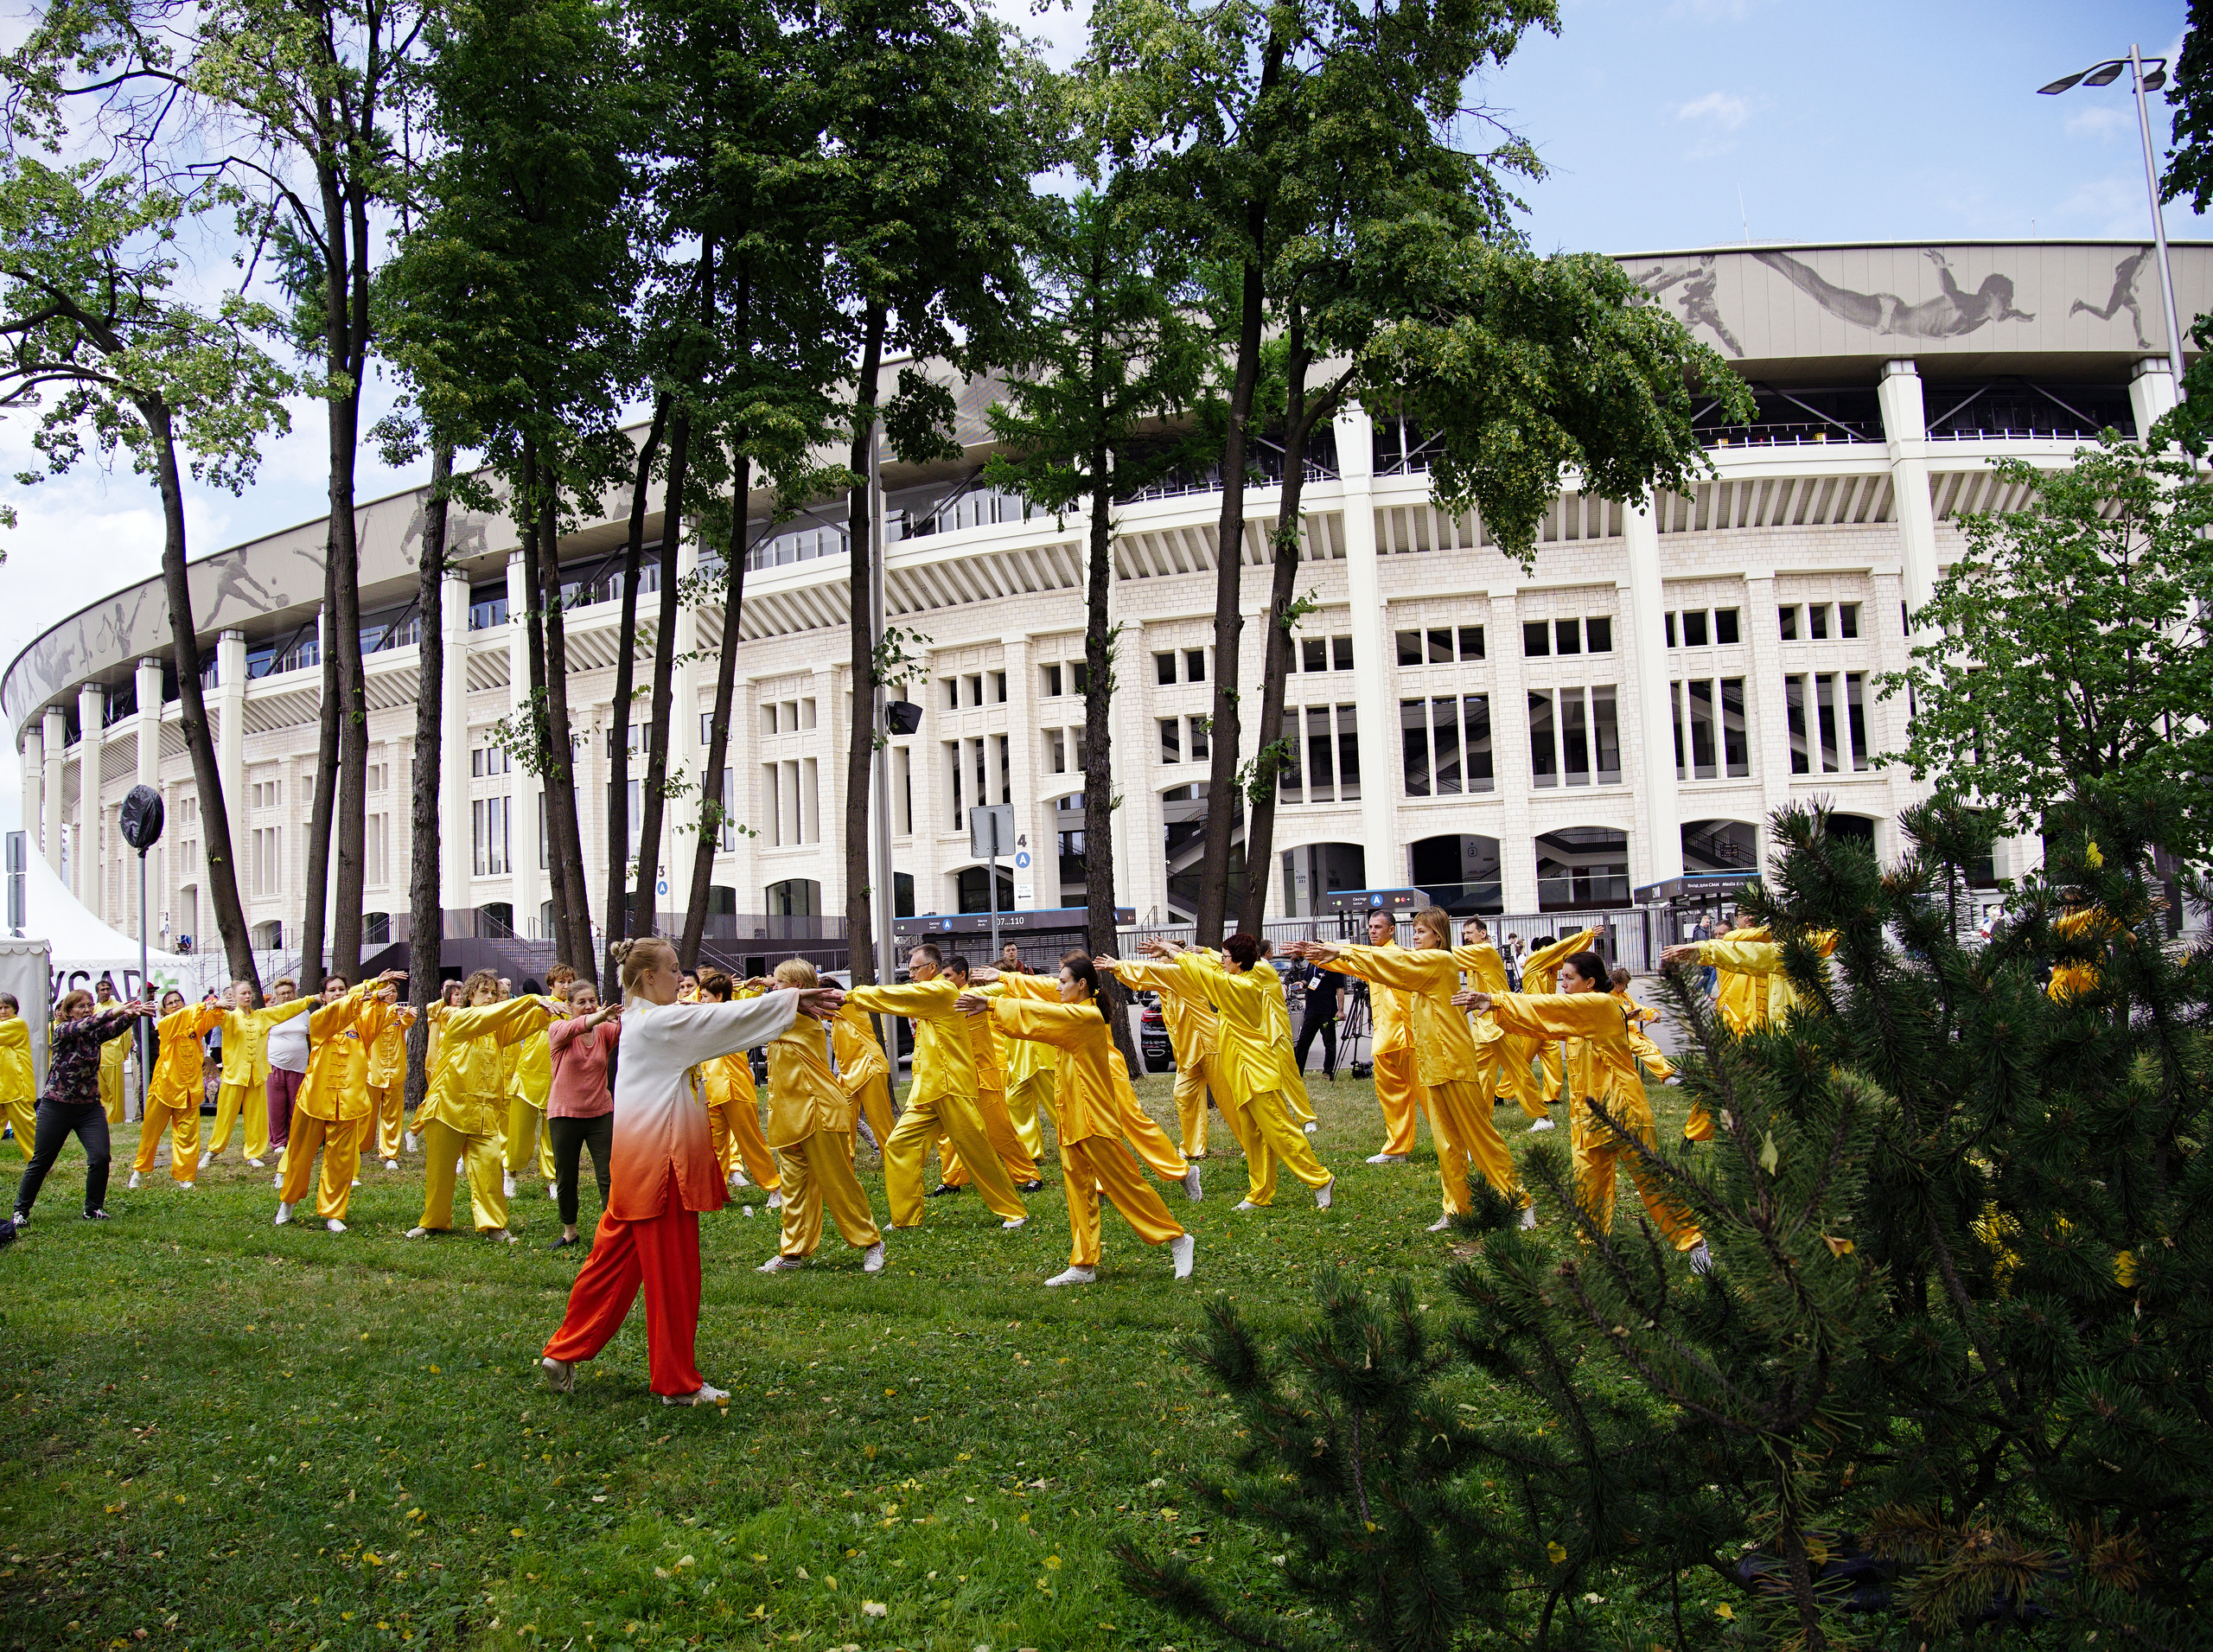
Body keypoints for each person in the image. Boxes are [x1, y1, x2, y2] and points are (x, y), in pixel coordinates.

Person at [540, 935, 841, 1404]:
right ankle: (676, 1383)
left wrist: (787, 1001)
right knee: (673, 1278)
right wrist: (791, 1000)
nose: (681, 977)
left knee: (609, 1265)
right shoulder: (659, 1023)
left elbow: (714, 1019)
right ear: (648, 977)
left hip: (635, 1165)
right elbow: (722, 1020)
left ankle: (563, 1351)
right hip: (663, 1169)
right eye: (672, 968)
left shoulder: (639, 1019)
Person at [960, 952, 1196, 1286]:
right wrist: (1004, 983)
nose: (1056, 987)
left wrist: (993, 1004)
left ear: (1082, 985)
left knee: (1125, 1185)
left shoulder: (1085, 1017)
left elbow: (1041, 1015)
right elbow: (1043, 1001)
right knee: (1079, 1192)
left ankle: (1177, 1238)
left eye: (1063, 982)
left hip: (1093, 1120)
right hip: (1072, 1118)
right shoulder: (1078, 1008)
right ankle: (1083, 1264)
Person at [1460, 953, 1706, 1269]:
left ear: (1590, 982)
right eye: (1562, 977)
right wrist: (1498, 1009)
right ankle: (1595, 1261)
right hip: (1588, 1123)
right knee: (1590, 1197)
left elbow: (1551, 1007)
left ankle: (1695, 1245)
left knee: (1653, 1185)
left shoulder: (1602, 1005)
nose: (1562, 984)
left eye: (1569, 978)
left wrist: (1496, 999)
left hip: (1624, 1115)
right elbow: (1544, 1024)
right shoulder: (1580, 1015)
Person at [1295, 909, 1527, 1233]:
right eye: (1415, 931)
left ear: (1439, 937)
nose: (1415, 937)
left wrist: (1340, 950)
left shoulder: (1439, 961)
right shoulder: (1422, 962)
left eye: (1422, 932)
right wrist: (1331, 956)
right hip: (1434, 1066)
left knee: (1481, 1138)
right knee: (1447, 1145)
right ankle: (1456, 1209)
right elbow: (1381, 965)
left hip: (1454, 1065)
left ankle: (1519, 1202)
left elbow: (1392, 962)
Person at [1132, 934, 1334, 1213]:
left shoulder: (1241, 985)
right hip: (1241, 1073)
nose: (1221, 961)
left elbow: (1203, 972)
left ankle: (1320, 1179)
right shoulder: (1241, 975)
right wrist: (1192, 951)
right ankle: (1260, 1193)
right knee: (1253, 1136)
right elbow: (1210, 964)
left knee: (1281, 1131)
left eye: (1226, 957)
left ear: (1238, 962)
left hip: (1257, 1074)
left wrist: (1172, 951)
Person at [844, 942, 1029, 1231]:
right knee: (899, 1145)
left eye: (915, 969)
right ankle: (905, 1219)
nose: (911, 975)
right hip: (928, 1090)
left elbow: (898, 996)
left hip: (952, 1086)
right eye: (909, 970)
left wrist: (853, 995)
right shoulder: (933, 993)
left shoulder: (941, 990)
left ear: (932, 968)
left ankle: (1014, 1211)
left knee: (977, 1151)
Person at [756, 958, 885, 1274]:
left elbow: (759, 1011)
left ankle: (871, 1242)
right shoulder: (781, 1013)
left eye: (780, 982)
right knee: (794, 1188)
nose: (774, 987)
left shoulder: (798, 1016)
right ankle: (792, 1252)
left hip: (819, 1112)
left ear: (798, 987)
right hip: (787, 1116)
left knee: (838, 1182)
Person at [406, 970, 556, 1242]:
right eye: (484, 992)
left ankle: (494, 1226)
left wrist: (549, 1011)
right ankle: (433, 1222)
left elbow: (523, 1024)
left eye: (494, 993)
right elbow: (485, 1018)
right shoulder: (455, 1017)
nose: (490, 997)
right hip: (447, 1109)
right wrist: (530, 1000)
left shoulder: (496, 1028)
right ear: (469, 995)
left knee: (490, 1170)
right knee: (439, 1173)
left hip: (483, 1114)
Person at [276, 972, 406, 1232]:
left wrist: (379, 998)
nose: (337, 994)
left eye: (341, 990)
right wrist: (366, 989)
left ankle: (333, 1212)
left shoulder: (359, 1024)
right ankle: (288, 1202)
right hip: (314, 1100)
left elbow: (374, 1018)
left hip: (348, 1102)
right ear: (323, 997)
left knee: (341, 1161)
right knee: (300, 1156)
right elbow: (336, 1013)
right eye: (332, 990)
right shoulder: (319, 1019)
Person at [14, 988, 153, 1224]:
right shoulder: (61, 1031)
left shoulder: (95, 1034)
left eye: (89, 1005)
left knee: (100, 1157)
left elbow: (114, 1027)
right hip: (56, 1106)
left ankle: (93, 1208)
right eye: (81, 1006)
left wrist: (132, 1013)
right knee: (42, 1161)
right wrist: (118, 1010)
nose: (87, 1009)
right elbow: (88, 1024)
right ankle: (20, 1211)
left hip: (89, 1108)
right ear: (69, 1012)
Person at [934, 955, 1042, 1196]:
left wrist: (1004, 977)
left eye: (948, 975)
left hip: (985, 1075)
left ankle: (1028, 1175)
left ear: (962, 976)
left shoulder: (975, 995)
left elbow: (1008, 988)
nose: (943, 980)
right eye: (942, 975)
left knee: (999, 1130)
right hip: (955, 1078)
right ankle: (952, 1180)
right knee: (950, 1133)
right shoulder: (940, 998)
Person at [1101, 954, 1217, 1158]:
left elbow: (1150, 971)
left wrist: (1118, 965)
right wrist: (1118, 970)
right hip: (1189, 1053)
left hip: (1210, 1046)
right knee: (1183, 1094)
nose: (1157, 968)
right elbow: (1143, 981)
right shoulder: (1165, 988)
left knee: (1230, 1100)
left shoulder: (1180, 973)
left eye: (1161, 965)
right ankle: (1194, 1149)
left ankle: (1252, 1145)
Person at [545, 979, 622, 1250]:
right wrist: (600, 1016)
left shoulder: (604, 1031)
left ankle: (611, 1235)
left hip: (600, 1113)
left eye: (592, 1000)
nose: (588, 1006)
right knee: (566, 1177)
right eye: (581, 1002)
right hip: (564, 1115)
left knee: (609, 1176)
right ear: (569, 1006)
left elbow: (630, 1027)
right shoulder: (558, 1029)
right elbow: (576, 1027)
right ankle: (570, 1232)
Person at [697, 971, 782, 1205]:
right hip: (713, 1090)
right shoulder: (706, 1014)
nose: (700, 1000)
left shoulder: (731, 1013)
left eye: (705, 996)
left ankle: (775, 1187)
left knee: (751, 1142)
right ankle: (716, 1192)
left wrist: (741, 986)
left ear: (719, 996)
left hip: (736, 1088)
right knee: (715, 1146)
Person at [206, 979, 311, 1168]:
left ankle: (253, 1153)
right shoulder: (229, 1017)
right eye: (242, 993)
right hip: (234, 1075)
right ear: (235, 997)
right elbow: (213, 1016)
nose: (247, 996)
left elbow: (285, 1010)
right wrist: (215, 1004)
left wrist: (310, 999)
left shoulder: (262, 1016)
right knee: (225, 1115)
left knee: (256, 1116)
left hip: (257, 1075)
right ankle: (213, 1150)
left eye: (249, 993)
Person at [1352, 909, 1427, 1164]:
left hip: (1405, 1037)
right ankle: (1397, 1149)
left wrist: (1329, 952)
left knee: (1429, 1095)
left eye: (1378, 927)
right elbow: (1352, 964)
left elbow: (1356, 958)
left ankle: (1462, 1143)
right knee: (1392, 1096)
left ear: (1391, 930)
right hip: (1384, 1038)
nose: (1372, 931)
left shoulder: (1395, 955)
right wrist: (1319, 957)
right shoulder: (1376, 956)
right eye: (1370, 927)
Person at [127, 991, 224, 1189]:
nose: (175, 1005)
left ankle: (185, 1176)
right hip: (165, 1088)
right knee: (151, 1134)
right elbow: (184, 1015)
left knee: (187, 1135)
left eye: (178, 1001)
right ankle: (139, 1171)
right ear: (164, 1010)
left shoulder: (195, 1026)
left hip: (189, 1089)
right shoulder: (165, 1024)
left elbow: (214, 1017)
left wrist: (217, 1005)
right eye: (170, 1003)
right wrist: (204, 1005)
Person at [503, 978, 558, 1200]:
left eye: (569, 981)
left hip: (556, 1082)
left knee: (553, 1137)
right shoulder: (540, 1006)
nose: (566, 986)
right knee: (518, 1135)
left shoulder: (575, 1008)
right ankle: (510, 1174)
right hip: (527, 1078)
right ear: (552, 984)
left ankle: (554, 1180)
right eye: (561, 981)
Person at [363, 980, 416, 1170]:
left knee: (392, 1114)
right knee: (366, 1112)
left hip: (395, 1069)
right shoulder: (371, 1011)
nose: (391, 994)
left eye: (394, 991)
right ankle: (361, 1146)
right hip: (373, 1071)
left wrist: (408, 1014)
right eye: (387, 991)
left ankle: (390, 1153)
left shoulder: (398, 1012)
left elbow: (407, 1021)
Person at [831, 1000, 896, 1150]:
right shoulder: (838, 1015)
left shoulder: (849, 1006)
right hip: (848, 1073)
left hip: (870, 1067)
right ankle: (847, 1157)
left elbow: (815, 1005)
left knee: (881, 1124)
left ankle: (894, 1158)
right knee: (843, 1117)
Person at [264, 977, 309, 1181]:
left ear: (294, 993)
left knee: (295, 1104)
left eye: (289, 992)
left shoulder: (303, 1012)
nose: (286, 996)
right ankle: (278, 1142)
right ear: (276, 995)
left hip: (299, 1065)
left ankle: (294, 1138)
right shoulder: (271, 1013)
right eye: (281, 993)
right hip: (275, 1064)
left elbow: (309, 1035)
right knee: (276, 1105)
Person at [1610, 966, 1675, 1081]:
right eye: (1625, 984)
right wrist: (1624, 1018)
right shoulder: (1606, 997)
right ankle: (1667, 1076)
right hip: (1619, 1033)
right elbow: (1606, 1018)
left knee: (1652, 1047)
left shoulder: (1624, 996)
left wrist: (1653, 1013)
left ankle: (1671, 1072)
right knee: (1645, 1050)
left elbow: (1638, 1008)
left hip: (1632, 1032)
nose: (1626, 988)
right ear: (1616, 983)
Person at [1293, 955, 1342, 1084]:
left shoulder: (1332, 966)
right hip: (1311, 1011)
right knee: (1303, 1043)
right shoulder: (1311, 965)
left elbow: (1340, 989)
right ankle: (1297, 1072)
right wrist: (1301, 983)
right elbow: (1306, 980)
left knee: (1329, 1043)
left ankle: (1328, 1072)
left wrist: (1340, 1010)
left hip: (1327, 1011)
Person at [0, 993, 35, 1163]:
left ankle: (40, 1163)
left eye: (6, 1007)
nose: (3, 1011)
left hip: (18, 1086)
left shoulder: (17, 1024)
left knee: (26, 1127)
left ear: (15, 1009)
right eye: (0, 1008)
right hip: (3, 1087)